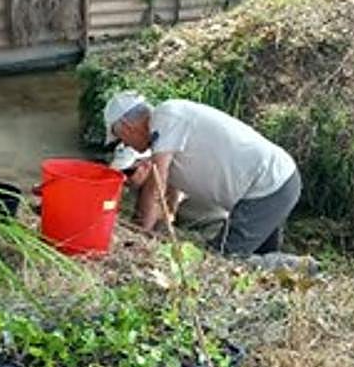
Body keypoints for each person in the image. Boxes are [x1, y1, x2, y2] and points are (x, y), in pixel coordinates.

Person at [103, 92, 301, 255]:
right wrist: (165, 218)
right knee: (262, 260)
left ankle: (307, 267)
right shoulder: (167, 138)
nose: (125, 145)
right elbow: (169, 190)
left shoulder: (166, 116)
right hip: (271, 184)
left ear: (128, 127)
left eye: (121, 138)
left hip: (268, 184)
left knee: (223, 258)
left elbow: (157, 184)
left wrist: (141, 235)